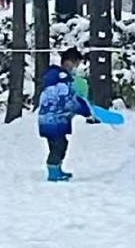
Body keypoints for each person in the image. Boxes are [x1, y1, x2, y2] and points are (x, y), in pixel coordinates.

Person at [37, 47, 94, 182]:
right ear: (68, 63)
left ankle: (57, 168)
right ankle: (53, 171)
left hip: (48, 119)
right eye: (76, 65)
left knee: (57, 144)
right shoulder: (63, 81)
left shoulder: (53, 79)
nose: (76, 69)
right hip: (55, 121)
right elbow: (71, 102)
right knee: (59, 145)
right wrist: (86, 112)